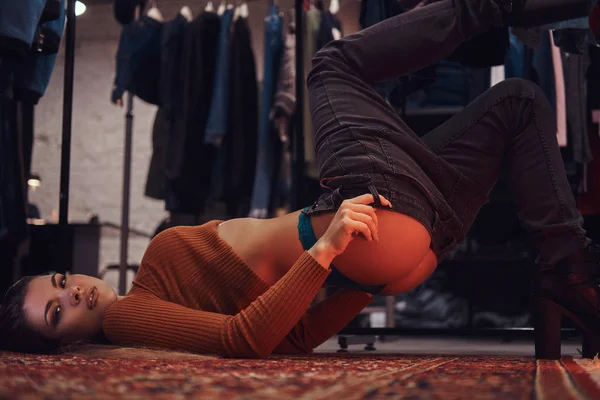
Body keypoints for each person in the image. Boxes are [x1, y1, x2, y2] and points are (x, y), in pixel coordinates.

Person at [1, 0, 598, 360]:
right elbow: (243, 340)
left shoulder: (150, 308)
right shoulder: (127, 317)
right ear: (68, 344)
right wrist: (330, 247)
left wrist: (372, 283)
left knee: (517, 102)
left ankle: (569, 270)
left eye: (57, 281)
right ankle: (492, 8)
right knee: (330, 63)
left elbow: (285, 342)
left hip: (399, 251)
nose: (73, 291)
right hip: (363, 229)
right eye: (57, 312)